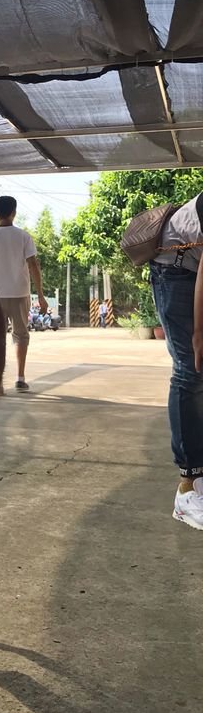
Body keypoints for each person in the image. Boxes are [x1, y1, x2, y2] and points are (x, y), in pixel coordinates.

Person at [149, 193, 203, 531]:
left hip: (191, 269)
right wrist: (198, 333)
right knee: (190, 370)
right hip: (177, 274)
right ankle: (187, 489)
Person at [0, 196, 47, 391]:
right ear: (14, 212)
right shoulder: (23, 237)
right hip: (19, 292)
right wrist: (40, 294)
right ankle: (20, 377)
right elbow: (33, 264)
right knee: (21, 336)